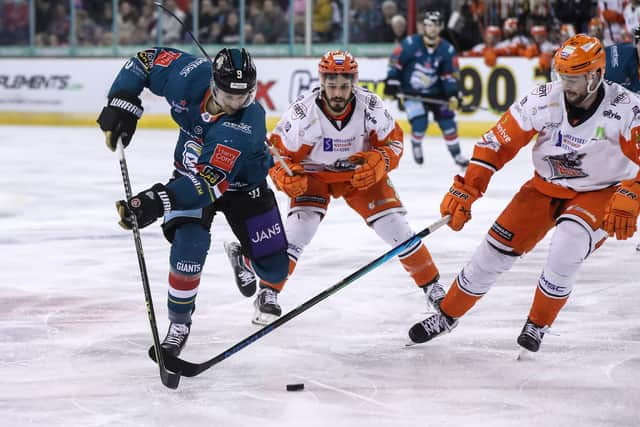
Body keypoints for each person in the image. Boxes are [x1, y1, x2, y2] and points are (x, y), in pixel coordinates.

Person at [408, 34, 640, 354]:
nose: (566, 85)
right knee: (491, 252)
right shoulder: (543, 98)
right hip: (544, 188)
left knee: (567, 245)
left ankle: (538, 323)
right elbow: (496, 143)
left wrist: (634, 192)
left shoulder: (627, 107)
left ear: (596, 75)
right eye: (562, 76)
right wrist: (467, 187)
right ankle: (447, 314)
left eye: (574, 78)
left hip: (599, 193)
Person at [97, 46, 290, 356]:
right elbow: (144, 62)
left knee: (275, 271)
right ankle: (179, 323)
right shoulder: (189, 76)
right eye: (229, 95)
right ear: (213, 83)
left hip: (239, 187)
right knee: (189, 247)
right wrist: (123, 103)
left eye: (244, 96)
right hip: (190, 174)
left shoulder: (244, 124)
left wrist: (155, 201)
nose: (236, 103)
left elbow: (208, 184)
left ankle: (242, 256)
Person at [233, 50, 446, 325]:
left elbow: (394, 142)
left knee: (396, 228)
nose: (338, 92)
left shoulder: (371, 105)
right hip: (315, 177)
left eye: (344, 85)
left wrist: (380, 161)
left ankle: (433, 287)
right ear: (322, 81)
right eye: (332, 84)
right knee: (300, 230)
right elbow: (275, 153)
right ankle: (268, 292)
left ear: (353, 82)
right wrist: (285, 177)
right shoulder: (302, 112)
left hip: (360, 175)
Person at [383, 11, 468, 168]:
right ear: (424, 27)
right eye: (429, 25)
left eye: (436, 25)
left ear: (441, 27)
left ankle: (457, 155)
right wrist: (392, 81)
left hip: (438, 94)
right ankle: (416, 143)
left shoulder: (447, 50)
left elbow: (449, 75)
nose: (432, 29)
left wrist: (452, 94)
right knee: (420, 123)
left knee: (448, 122)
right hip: (412, 93)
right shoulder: (410, 44)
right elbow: (395, 62)